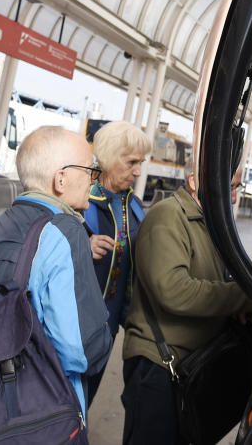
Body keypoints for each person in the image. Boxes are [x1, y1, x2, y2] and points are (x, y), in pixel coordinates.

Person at [0, 126, 111, 444]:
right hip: (23, 422)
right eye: (90, 170)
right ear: (61, 179)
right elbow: (81, 349)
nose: (94, 179)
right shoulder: (64, 232)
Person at [121, 161, 251, 445]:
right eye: (229, 187)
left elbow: (214, 277)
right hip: (158, 367)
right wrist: (242, 297)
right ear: (195, 180)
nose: (233, 196)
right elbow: (174, 290)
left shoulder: (207, 222)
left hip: (189, 365)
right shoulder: (167, 218)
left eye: (236, 188)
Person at [83, 120, 151, 403]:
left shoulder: (133, 205)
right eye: (132, 162)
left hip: (110, 323)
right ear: (110, 157)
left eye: (141, 163)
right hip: (77, 320)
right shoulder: (81, 198)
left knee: (86, 399)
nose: (137, 171)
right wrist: (81, 245)